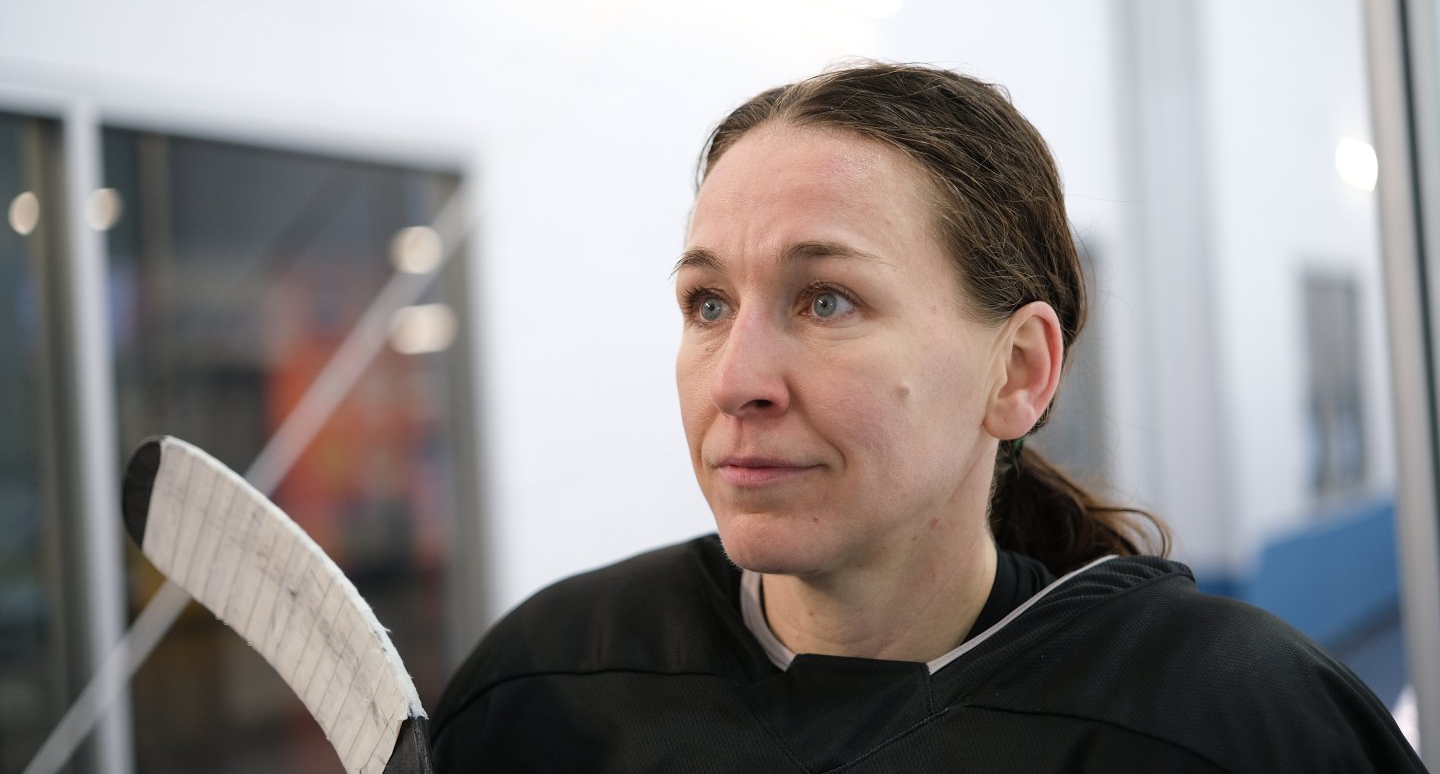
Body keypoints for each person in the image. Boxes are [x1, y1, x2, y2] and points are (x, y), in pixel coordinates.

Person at [429, 63, 1426, 772]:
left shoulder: (1226, 720)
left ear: (1019, 373)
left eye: (826, 300)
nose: (737, 380)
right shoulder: (548, 685)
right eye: (708, 304)